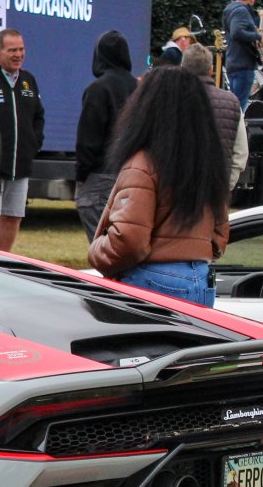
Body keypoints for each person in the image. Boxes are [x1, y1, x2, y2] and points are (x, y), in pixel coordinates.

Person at [87, 66, 228, 308]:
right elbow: (220, 231)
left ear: (146, 108)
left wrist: (95, 251)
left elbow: (129, 240)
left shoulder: (143, 163)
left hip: (152, 278)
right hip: (202, 279)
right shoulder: (207, 162)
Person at [0, 29, 44, 251]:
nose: (18, 54)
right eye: (12, 50)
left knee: (12, 217)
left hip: (21, 165)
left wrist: (33, 144)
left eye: (21, 49)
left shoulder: (28, 79)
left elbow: (38, 116)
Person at [73, 30, 137, 240]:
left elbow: (88, 137)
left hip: (101, 173)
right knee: (123, 236)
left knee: (102, 242)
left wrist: (81, 173)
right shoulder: (138, 87)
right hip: (131, 173)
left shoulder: (98, 89)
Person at [181, 43, 249, 192]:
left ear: (182, 69)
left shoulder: (172, 100)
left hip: (177, 190)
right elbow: (241, 152)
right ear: (211, 70)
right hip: (217, 190)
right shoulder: (232, 102)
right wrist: (226, 185)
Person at [222, 0, 263, 112]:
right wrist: (258, 37)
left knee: (234, 104)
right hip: (243, 64)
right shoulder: (241, 11)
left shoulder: (230, 9)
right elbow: (237, 32)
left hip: (233, 62)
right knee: (240, 107)